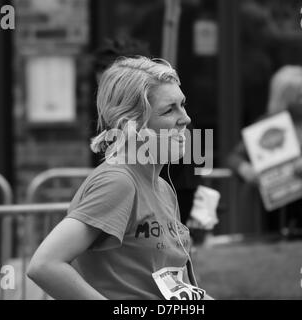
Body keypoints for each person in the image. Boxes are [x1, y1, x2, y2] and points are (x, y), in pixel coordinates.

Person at [27, 56, 213, 300]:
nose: (186, 118)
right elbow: (44, 265)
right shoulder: (118, 182)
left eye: (183, 104)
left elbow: (171, 287)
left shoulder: (164, 188)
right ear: (132, 124)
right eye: (169, 109)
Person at [93, 36, 208, 242]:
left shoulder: (185, 132)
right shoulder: (118, 180)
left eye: (117, 84)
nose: (109, 99)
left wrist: (183, 228)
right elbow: (49, 262)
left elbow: (198, 176)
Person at [227, 65, 302, 239]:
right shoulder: (268, 123)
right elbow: (234, 157)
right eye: (301, 97)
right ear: (285, 99)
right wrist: (245, 169)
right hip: (277, 213)